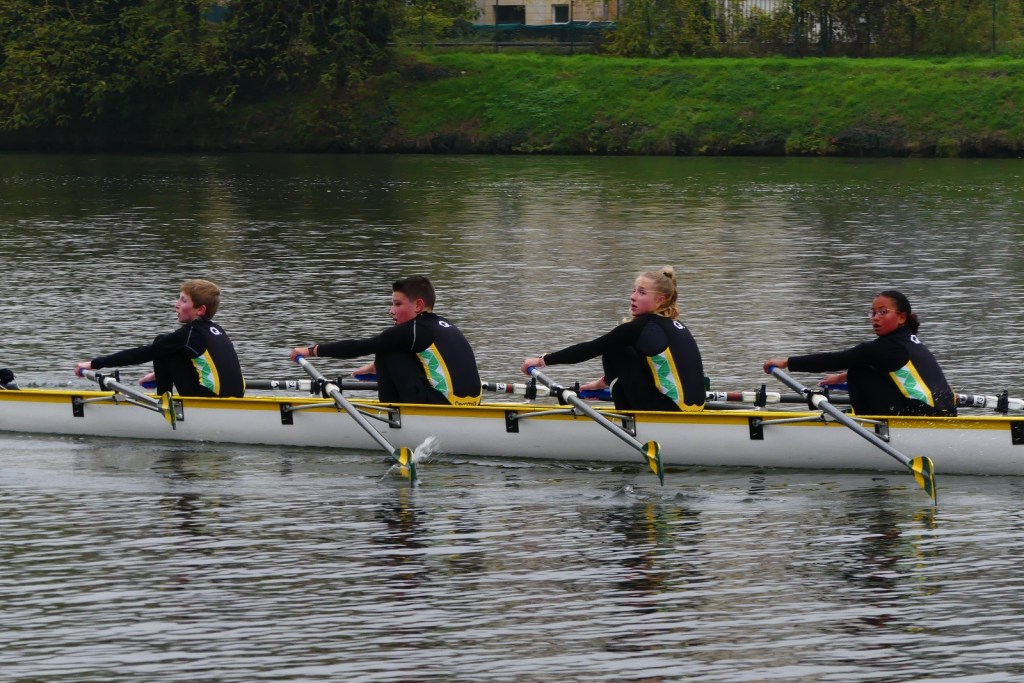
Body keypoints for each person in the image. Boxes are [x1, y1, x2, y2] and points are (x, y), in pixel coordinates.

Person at [521, 267, 705, 412]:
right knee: (623, 348)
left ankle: (626, 419)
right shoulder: (675, 325)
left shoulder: (640, 327)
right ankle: (611, 389)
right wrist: (602, 383)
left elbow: (588, 349)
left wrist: (542, 360)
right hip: (693, 408)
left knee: (613, 348)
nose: (632, 297)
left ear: (660, 300)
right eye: (634, 291)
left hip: (668, 410)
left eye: (642, 293)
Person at [290, 275, 482, 406]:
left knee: (384, 348)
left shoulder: (412, 329)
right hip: (472, 403)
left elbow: (360, 347)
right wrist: (377, 367)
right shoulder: (445, 325)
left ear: (418, 306)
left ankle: (391, 415)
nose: (391, 311)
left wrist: (312, 350)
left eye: (397, 304)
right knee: (394, 348)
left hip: (443, 405)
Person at [762, 289, 956, 416]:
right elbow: (894, 371)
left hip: (922, 417)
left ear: (901, 318)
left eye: (883, 312)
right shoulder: (910, 342)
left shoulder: (886, 347)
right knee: (860, 369)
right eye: (873, 312)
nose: (875, 318)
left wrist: (787, 362)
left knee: (858, 371)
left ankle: (867, 425)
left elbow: (835, 359)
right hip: (945, 413)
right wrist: (842, 377)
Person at [75, 279, 245, 398]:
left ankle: (163, 401)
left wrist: (93, 364)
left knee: (161, 343)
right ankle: (163, 387)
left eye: (183, 300)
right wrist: (161, 372)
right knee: (169, 347)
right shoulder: (217, 330)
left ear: (200, 310)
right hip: (237, 394)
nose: (176, 305)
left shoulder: (188, 334)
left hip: (207, 397)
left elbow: (142, 354)